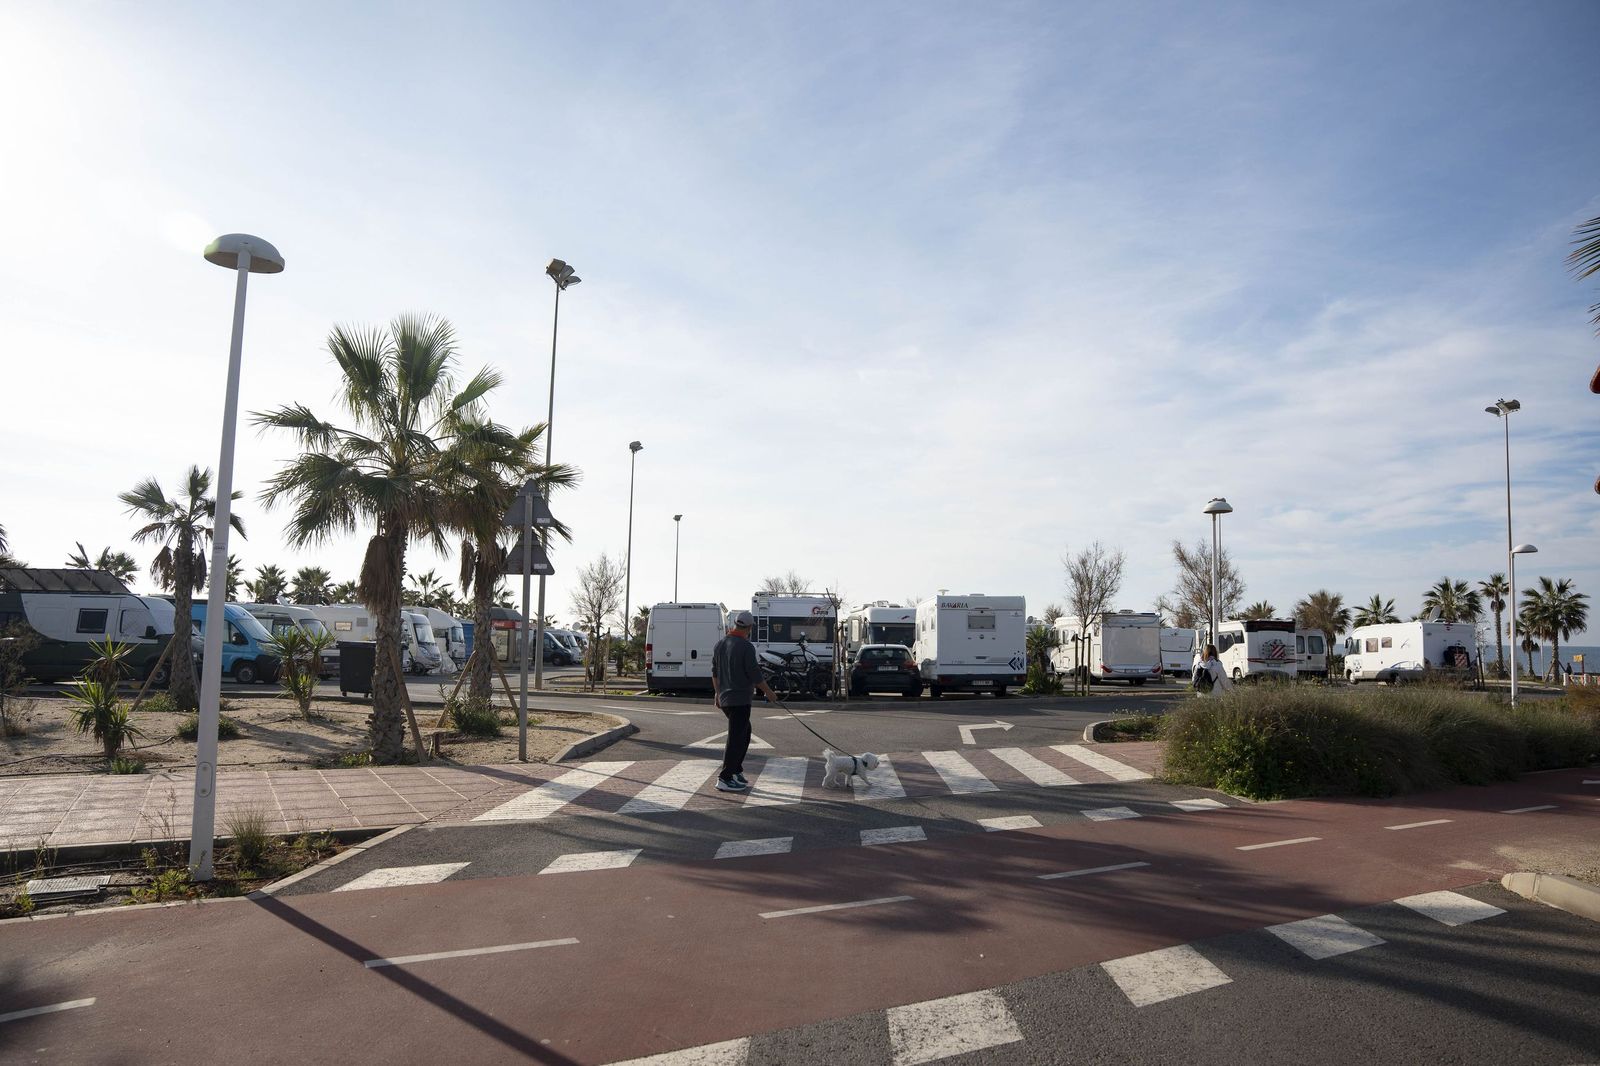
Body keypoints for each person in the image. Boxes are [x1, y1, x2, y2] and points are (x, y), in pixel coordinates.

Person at [711, 610, 779, 792]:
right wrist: (769, 692)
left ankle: (735, 771)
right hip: (740, 699)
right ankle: (725, 777)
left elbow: (715, 673)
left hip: (725, 698)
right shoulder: (746, 647)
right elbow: (755, 674)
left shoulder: (720, 644)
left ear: (735, 624)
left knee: (745, 733)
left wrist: (717, 694)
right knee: (736, 738)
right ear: (749, 628)